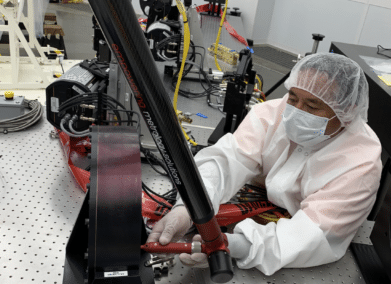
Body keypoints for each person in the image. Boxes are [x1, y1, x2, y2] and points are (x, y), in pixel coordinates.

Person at [146, 53, 382, 275]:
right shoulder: (272, 113)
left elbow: (315, 235)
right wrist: (188, 209)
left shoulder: (360, 164)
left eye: (312, 106)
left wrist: (233, 245)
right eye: (293, 97)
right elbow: (226, 160)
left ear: (347, 112)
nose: (295, 113)